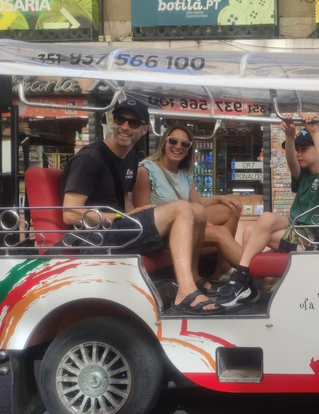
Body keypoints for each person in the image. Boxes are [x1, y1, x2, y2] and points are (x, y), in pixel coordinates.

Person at [60, 99, 223, 315]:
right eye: (120, 119)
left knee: (198, 210)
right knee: (183, 208)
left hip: (120, 231)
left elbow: (122, 199)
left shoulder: (128, 159)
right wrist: (120, 217)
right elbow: (70, 214)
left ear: (144, 130)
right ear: (112, 122)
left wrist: (130, 214)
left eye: (134, 123)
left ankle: (194, 277)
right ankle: (186, 292)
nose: (125, 127)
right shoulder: (90, 159)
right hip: (97, 238)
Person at [216, 114, 319, 307]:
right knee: (253, 228)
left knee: (257, 230)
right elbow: (291, 162)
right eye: (297, 149)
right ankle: (245, 284)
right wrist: (290, 137)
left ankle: (240, 280)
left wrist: (315, 132)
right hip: (297, 228)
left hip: (313, 237)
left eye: (304, 149)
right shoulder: (304, 175)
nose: (298, 153)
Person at [132, 124, 244, 292]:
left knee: (231, 209)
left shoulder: (185, 173)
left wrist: (218, 198)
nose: (178, 147)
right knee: (221, 233)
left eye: (185, 144)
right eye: (174, 141)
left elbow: (196, 206)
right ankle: (257, 271)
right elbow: (144, 215)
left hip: (186, 219)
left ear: (189, 150)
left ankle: (222, 267)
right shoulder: (146, 170)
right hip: (161, 230)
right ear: (164, 142)